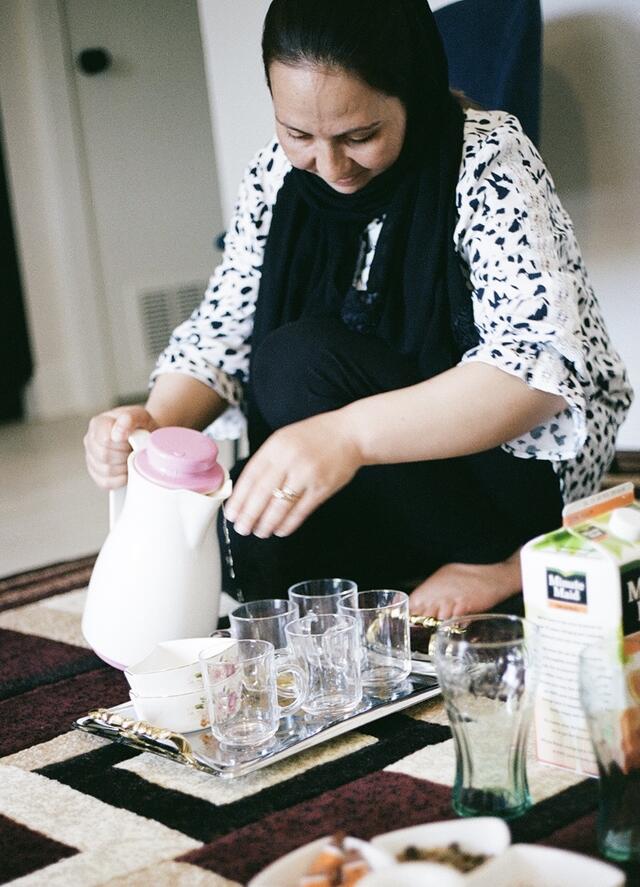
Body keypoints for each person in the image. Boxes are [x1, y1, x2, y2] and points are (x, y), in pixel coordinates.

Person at [84, 0, 632, 618]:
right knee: (239, 548)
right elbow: (221, 333)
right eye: (298, 135)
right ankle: (404, 559)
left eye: (360, 136)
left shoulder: (488, 158)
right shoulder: (275, 177)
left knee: (296, 363)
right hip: (386, 467)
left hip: (501, 466)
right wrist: (152, 423)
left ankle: (505, 559)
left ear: (413, 93)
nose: (330, 166)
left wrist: (345, 435)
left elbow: (536, 374)